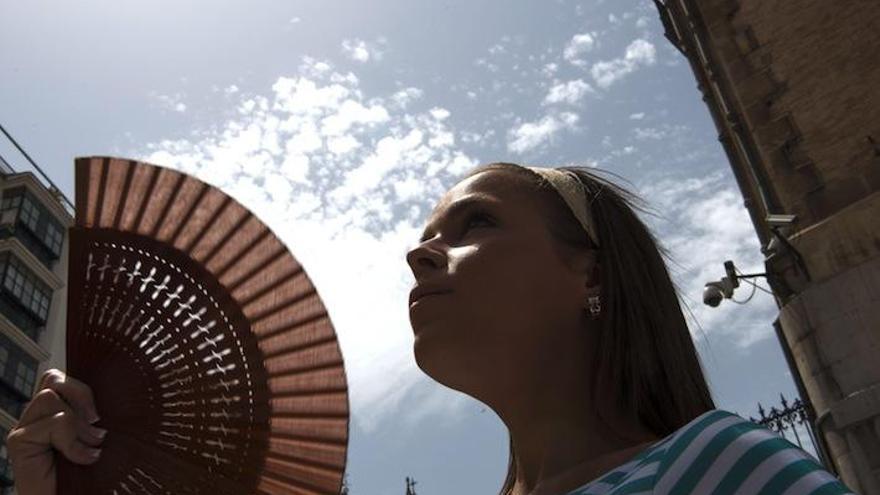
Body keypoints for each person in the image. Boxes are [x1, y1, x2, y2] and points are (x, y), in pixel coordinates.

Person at [6, 162, 855, 495]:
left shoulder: (716, 469)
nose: (422, 252)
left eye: (472, 224)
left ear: (587, 273)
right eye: (425, 235)